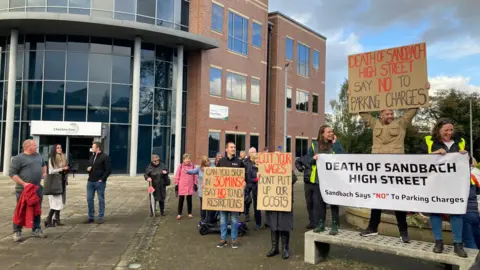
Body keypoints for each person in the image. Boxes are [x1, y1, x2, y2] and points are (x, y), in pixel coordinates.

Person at [358, 82, 430, 243]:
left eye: (391, 113)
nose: (390, 116)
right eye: (387, 114)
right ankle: (372, 228)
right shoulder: (374, 123)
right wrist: (352, 96)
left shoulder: (401, 123)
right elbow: (362, 111)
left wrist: (423, 91)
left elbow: (412, 110)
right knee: (376, 198)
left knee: (398, 200)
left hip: (396, 169)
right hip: (378, 169)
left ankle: (403, 232)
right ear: (380, 115)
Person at [418, 118, 469, 257]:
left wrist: (467, 156)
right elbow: (418, 160)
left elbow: (471, 162)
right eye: (446, 130)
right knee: (436, 212)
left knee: (456, 211)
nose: (449, 132)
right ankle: (438, 242)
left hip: (455, 184)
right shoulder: (428, 141)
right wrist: (433, 154)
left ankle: (458, 244)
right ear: (438, 129)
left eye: (451, 130)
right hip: (435, 183)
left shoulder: (461, 141)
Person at [306, 125, 344, 235]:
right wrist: (313, 159)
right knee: (320, 203)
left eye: (332, 132)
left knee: (333, 202)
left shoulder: (335, 145)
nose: (331, 133)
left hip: (333, 179)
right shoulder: (314, 145)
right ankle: (321, 224)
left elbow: (343, 157)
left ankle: (335, 224)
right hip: (319, 179)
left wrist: (336, 144)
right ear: (322, 133)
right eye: (328, 132)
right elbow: (307, 161)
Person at [10, 139, 47, 241]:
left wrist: (44, 173)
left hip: (37, 188)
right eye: (35, 145)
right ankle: (17, 231)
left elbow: (43, 165)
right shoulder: (18, 158)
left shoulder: (38, 156)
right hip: (23, 189)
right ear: (28, 147)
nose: (37, 147)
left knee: (37, 210)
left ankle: (36, 229)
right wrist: (24, 183)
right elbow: (12, 174)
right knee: (20, 210)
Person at [216, 141, 246, 249]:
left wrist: (244, 182)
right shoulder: (221, 161)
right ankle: (223, 239)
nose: (233, 148)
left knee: (234, 219)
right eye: (231, 147)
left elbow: (244, 174)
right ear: (226, 149)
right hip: (223, 195)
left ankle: (234, 239)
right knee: (223, 219)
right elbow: (215, 177)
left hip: (234, 196)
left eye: (234, 147)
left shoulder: (239, 162)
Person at [264, 168, 297, 259]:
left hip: (284, 202)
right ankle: (274, 248)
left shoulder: (287, 167)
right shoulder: (268, 168)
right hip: (272, 201)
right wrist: (260, 176)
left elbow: (294, 179)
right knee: (273, 224)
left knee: (284, 225)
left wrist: (285, 175)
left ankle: (285, 249)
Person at [86, 142, 111, 224]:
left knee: (101, 199)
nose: (92, 148)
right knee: (89, 199)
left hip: (99, 182)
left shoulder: (104, 157)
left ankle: (100, 217)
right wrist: (88, 169)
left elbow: (108, 170)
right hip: (90, 181)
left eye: (93, 147)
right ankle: (91, 217)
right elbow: (89, 166)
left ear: (98, 148)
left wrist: (102, 179)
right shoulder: (92, 157)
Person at [45, 144, 69, 227]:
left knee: (60, 201)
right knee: (56, 202)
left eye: (61, 147)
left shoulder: (63, 158)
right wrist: (62, 169)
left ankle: (57, 219)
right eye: (58, 148)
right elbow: (51, 171)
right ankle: (48, 219)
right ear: (54, 149)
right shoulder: (52, 159)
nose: (60, 149)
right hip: (54, 182)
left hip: (61, 181)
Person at [186, 156, 212, 222]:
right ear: (203, 163)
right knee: (202, 207)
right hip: (202, 191)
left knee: (209, 207)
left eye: (208, 161)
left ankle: (208, 220)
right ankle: (202, 220)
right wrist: (187, 171)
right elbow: (193, 171)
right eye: (205, 162)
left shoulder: (212, 167)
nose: (207, 163)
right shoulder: (199, 169)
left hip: (210, 191)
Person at [174, 153, 198, 220]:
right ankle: (179, 214)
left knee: (189, 200)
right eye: (186, 159)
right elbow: (177, 175)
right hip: (182, 185)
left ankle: (189, 213)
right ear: (183, 160)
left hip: (190, 185)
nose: (188, 160)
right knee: (181, 200)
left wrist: (195, 183)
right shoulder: (181, 166)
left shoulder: (192, 166)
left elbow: (195, 175)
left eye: (189, 159)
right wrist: (176, 184)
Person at [245, 153, 261, 229]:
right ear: (254, 160)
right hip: (255, 190)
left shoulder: (264, 168)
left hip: (265, 190)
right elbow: (249, 179)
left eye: (259, 159)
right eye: (256, 159)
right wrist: (257, 179)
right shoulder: (251, 169)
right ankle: (258, 223)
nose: (258, 160)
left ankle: (268, 223)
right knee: (256, 207)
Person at [243, 147, 257, 222]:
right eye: (252, 152)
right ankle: (246, 214)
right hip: (248, 183)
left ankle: (256, 215)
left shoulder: (258, 161)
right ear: (249, 153)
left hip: (256, 183)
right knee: (247, 200)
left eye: (255, 152)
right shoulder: (245, 161)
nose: (254, 153)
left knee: (256, 200)